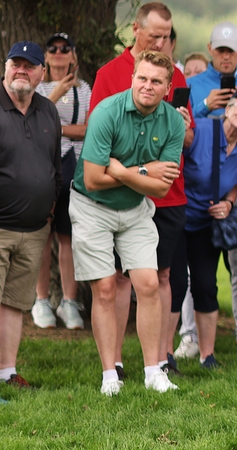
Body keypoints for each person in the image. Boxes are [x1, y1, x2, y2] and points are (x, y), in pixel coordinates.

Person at [89, 0, 194, 380]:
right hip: (119, 196)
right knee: (118, 279)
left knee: (161, 275)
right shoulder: (109, 74)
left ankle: (162, 357)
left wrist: (181, 125)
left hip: (168, 193)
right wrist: (133, 171)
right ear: (136, 29)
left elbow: (188, 140)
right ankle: (115, 359)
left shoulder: (176, 76)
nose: (163, 43)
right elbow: (98, 140)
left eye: (167, 37)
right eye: (155, 35)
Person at [71, 50, 184, 395]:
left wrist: (119, 170)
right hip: (93, 206)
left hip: (136, 208)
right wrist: (142, 172)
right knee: (105, 288)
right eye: (142, 78)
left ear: (168, 88)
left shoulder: (174, 122)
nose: (147, 86)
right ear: (133, 77)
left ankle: (154, 371)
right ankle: (110, 376)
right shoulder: (107, 112)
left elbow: (162, 187)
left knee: (148, 284)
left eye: (156, 81)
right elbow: (92, 178)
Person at [177, 20, 237, 359]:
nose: (226, 56)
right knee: (192, 269)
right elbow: (182, 128)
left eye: (231, 50)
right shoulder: (192, 84)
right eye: (220, 50)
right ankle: (189, 337)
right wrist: (205, 105)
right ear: (211, 49)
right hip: (197, 183)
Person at [171, 89, 237, 369]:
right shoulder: (200, 130)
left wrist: (228, 203)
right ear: (226, 109)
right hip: (177, 217)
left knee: (206, 286)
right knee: (174, 286)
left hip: (206, 224)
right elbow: (177, 145)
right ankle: (164, 355)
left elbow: (233, 180)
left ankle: (207, 355)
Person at [0, 41, 62, 388]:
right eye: (15, 64)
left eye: (30, 65)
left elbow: (54, 166)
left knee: (14, 303)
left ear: (41, 73)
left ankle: (7, 373)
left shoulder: (47, 111)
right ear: (6, 68)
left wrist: (49, 207)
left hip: (35, 228)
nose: (21, 70)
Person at [30, 33, 91, 331]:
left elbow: (90, 129)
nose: (58, 53)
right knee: (43, 235)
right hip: (42, 168)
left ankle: (70, 301)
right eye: (52, 48)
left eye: (65, 48)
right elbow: (30, 121)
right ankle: (41, 299)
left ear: (73, 56)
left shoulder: (84, 89)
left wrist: (57, 128)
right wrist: (53, 100)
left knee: (67, 238)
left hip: (73, 169)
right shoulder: (36, 87)